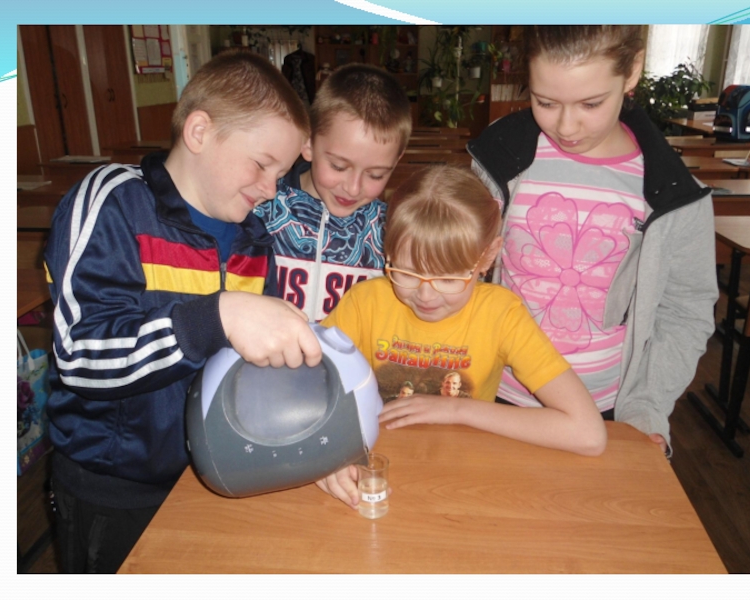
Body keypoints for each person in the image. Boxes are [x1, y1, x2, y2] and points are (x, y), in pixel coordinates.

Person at [43, 50, 322, 573]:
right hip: (114, 489)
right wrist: (215, 318)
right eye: (261, 164)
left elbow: (259, 377)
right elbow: (79, 356)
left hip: (216, 476)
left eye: (283, 174)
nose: (270, 190)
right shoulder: (114, 203)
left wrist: (312, 454)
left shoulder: (255, 242)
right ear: (199, 132)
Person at [467, 26, 718, 457]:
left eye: (591, 103)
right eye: (546, 102)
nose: (566, 126)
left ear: (632, 70)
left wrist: (647, 406)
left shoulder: (674, 193)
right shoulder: (498, 160)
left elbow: (685, 312)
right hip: (495, 399)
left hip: (608, 411)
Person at [316, 165, 607, 508]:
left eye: (449, 279)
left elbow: (588, 433)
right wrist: (328, 455)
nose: (426, 295)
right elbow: (309, 388)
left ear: (487, 256)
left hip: (466, 485)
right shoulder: (365, 303)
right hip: (381, 470)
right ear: (388, 249)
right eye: (406, 273)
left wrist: (458, 410)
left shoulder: (501, 315)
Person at [254, 63, 412, 322]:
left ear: (396, 161)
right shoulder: (260, 207)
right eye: (338, 166)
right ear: (308, 142)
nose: (353, 188)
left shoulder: (391, 231)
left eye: (375, 174)